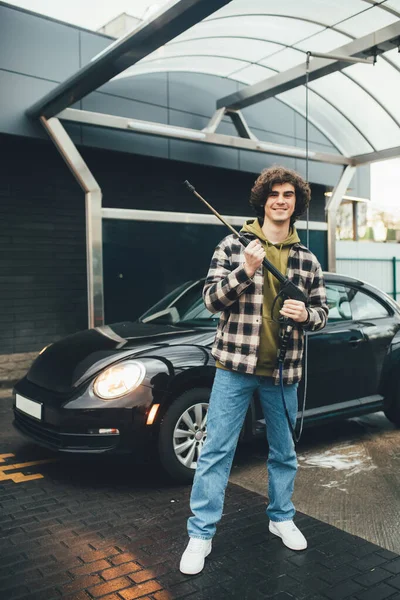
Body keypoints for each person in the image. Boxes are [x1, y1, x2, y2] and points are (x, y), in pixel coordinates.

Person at [179, 166, 329, 576]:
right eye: (274, 194)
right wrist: (245, 271)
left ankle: (280, 517)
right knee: (215, 450)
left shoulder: (306, 259)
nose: (281, 200)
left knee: (284, 452)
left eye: (289, 195)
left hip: (284, 371)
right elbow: (210, 301)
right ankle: (201, 533)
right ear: (262, 200)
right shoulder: (232, 246)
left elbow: (322, 312)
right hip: (234, 366)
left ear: (296, 203)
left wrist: (307, 315)